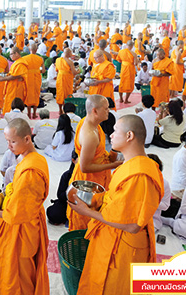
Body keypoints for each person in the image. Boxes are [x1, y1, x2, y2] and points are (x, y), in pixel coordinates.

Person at [68, 115, 164, 295]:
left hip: (124, 247)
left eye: (115, 131)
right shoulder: (130, 165)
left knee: (112, 287)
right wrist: (96, 199)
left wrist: (88, 212)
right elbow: (119, 200)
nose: (110, 135)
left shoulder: (141, 175)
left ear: (129, 136)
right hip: (110, 237)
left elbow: (133, 224)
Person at [0, 118, 50, 294]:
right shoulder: (33, 158)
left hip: (22, 229)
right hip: (21, 221)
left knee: (19, 278)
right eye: (7, 141)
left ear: (27, 139)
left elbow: (17, 214)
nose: (9, 146)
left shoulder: (30, 172)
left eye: (13, 141)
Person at [67, 94, 121, 231]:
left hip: (97, 175)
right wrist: (113, 165)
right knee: (87, 222)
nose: (109, 111)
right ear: (95, 111)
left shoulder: (91, 123)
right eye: (106, 109)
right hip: (88, 182)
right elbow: (85, 167)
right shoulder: (90, 134)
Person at [47, 151, 77, 225]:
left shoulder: (90, 174)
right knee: (54, 214)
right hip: (68, 202)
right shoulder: (67, 175)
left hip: (86, 205)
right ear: (73, 160)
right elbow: (60, 195)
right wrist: (73, 193)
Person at [0, 46, 27, 115]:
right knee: (9, 103)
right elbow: (13, 74)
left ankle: (14, 118)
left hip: (16, 88)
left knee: (15, 104)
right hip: (12, 87)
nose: (10, 56)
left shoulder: (21, 63)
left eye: (11, 54)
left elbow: (16, 76)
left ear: (16, 53)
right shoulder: (16, 62)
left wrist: (3, 79)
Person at [23, 44, 44, 119]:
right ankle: (34, 114)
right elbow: (43, 70)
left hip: (28, 78)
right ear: (37, 49)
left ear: (29, 49)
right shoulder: (40, 58)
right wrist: (36, 70)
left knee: (28, 95)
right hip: (36, 78)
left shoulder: (24, 58)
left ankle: (28, 113)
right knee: (36, 95)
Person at [55, 48, 77, 112]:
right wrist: (78, 71)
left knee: (60, 93)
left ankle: (60, 110)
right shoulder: (70, 62)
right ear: (68, 53)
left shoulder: (58, 60)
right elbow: (74, 72)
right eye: (71, 53)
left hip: (60, 77)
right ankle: (65, 110)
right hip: (67, 78)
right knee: (67, 94)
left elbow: (56, 70)